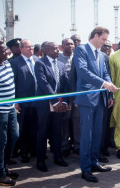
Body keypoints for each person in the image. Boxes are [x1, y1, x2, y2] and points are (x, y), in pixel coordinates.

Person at [73, 27, 117, 183]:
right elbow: (83, 72)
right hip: (86, 99)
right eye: (103, 39)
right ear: (96, 36)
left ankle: (94, 162)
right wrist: (103, 83)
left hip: (100, 99)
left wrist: (109, 84)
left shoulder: (101, 54)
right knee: (87, 135)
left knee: (97, 133)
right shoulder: (81, 50)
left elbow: (104, 72)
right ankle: (85, 169)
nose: (105, 43)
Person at [34, 42, 69, 172]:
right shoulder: (40, 63)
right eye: (55, 48)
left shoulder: (61, 64)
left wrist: (64, 101)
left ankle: (58, 157)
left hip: (59, 104)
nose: (58, 50)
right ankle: (41, 160)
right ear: (47, 50)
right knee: (42, 132)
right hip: (45, 104)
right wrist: (55, 101)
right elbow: (43, 84)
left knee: (57, 131)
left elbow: (65, 84)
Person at [10, 39, 39, 163]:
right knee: (23, 128)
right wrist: (15, 100)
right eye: (28, 47)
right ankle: (24, 152)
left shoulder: (38, 61)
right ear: (21, 48)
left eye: (32, 46)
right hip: (22, 102)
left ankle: (34, 150)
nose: (31, 49)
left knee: (36, 127)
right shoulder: (14, 62)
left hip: (38, 101)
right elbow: (12, 83)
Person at [0, 41, 18, 186]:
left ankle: (4, 167)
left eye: (6, 50)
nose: (7, 52)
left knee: (14, 136)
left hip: (11, 108)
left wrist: (15, 102)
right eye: (3, 50)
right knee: (0, 142)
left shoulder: (7, 64)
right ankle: (0, 174)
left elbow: (12, 84)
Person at [57, 38, 75, 158]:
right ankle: (64, 146)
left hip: (77, 94)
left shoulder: (78, 58)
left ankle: (77, 145)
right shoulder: (58, 59)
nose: (69, 46)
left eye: (71, 44)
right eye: (67, 44)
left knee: (76, 122)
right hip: (64, 95)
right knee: (64, 122)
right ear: (62, 46)